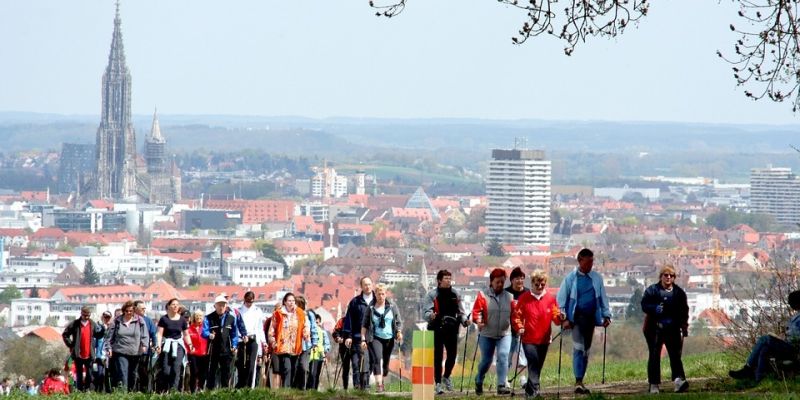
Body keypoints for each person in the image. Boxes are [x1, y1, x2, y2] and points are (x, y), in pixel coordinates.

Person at [557, 248, 612, 394]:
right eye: (588, 262)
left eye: (592, 262)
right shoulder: (570, 279)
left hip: (591, 319)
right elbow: (561, 301)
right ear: (580, 261)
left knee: (586, 350)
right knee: (578, 348)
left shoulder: (597, 278)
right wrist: (564, 319)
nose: (590, 266)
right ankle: (578, 380)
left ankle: (581, 380)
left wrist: (607, 315)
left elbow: (603, 298)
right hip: (576, 319)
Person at [729, 290, 800, 383]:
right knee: (765, 349)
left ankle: (748, 368)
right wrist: (783, 335)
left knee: (764, 339)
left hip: (794, 348)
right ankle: (758, 378)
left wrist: (787, 336)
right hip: (787, 344)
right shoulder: (796, 316)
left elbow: (796, 335)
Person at [513, 269, 561, 399]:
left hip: (544, 339)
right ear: (532, 283)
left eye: (542, 284)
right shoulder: (524, 298)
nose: (540, 287)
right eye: (537, 284)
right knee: (533, 362)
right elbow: (516, 316)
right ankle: (536, 391)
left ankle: (529, 391)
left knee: (538, 366)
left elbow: (556, 318)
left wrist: (561, 318)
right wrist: (519, 327)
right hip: (528, 338)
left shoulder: (550, 299)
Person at [641, 265, 689, 394]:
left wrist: (684, 326)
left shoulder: (679, 293)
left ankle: (679, 381)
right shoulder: (652, 290)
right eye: (666, 275)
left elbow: (684, 311)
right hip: (654, 328)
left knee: (675, 355)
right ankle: (654, 384)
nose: (668, 277)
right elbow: (644, 304)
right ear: (661, 276)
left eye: (671, 275)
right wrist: (654, 308)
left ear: (674, 278)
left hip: (672, 328)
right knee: (655, 355)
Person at [423, 269, 470, 394]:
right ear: (439, 280)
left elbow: (461, 311)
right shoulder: (432, 295)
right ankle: (438, 383)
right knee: (438, 357)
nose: (449, 280)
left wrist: (465, 321)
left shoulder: (455, 294)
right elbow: (425, 312)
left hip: (452, 329)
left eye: (450, 278)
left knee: (452, 356)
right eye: (446, 278)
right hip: (437, 328)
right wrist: (430, 315)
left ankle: (446, 376)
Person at [472, 268, 514, 395]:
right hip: (486, 333)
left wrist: (519, 326)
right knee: (486, 360)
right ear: (491, 282)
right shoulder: (483, 295)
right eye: (497, 282)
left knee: (503, 356)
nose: (500, 285)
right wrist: (479, 321)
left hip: (504, 333)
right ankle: (479, 379)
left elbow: (515, 314)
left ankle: (501, 385)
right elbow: (476, 312)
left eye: (502, 282)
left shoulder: (509, 297)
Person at [361, 283, 404, 393]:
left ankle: (383, 379)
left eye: (383, 294)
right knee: (377, 359)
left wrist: (399, 332)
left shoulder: (392, 306)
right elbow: (364, 324)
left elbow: (398, 321)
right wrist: (363, 339)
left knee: (385, 363)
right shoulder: (370, 308)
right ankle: (379, 385)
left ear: (386, 294)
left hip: (389, 338)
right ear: (375, 294)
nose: (381, 296)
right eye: (379, 294)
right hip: (375, 337)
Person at [105, 300, 149, 391]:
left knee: (133, 374)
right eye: (127, 311)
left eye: (131, 311)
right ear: (124, 311)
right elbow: (109, 337)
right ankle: (123, 393)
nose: (129, 313)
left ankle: (131, 392)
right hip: (120, 351)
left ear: (134, 311)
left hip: (135, 352)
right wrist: (108, 348)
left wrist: (144, 345)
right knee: (123, 372)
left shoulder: (140, 321)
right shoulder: (117, 321)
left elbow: (145, 334)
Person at [267, 292, 309, 388]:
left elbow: (305, 325)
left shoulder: (300, 313)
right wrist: (273, 341)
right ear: (285, 302)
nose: (291, 303)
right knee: (287, 368)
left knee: (293, 369)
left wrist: (306, 333)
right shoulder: (278, 314)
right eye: (289, 301)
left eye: (293, 301)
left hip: (296, 347)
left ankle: (289, 388)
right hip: (283, 347)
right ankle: (286, 390)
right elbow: (272, 330)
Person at [202, 295, 243, 390]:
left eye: (223, 305)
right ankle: (209, 390)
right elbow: (204, 331)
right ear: (215, 306)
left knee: (226, 371)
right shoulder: (209, 318)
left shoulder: (231, 318)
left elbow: (234, 334)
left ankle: (224, 391)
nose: (221, 307)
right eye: (219, 305)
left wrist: (234, 345)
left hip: (226, 349)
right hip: (213, 349)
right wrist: (209, 335)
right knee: (212, 370)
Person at [343, 276, 376, 390]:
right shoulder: (355, 302)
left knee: (369, 363)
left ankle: (365, 385)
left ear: (373, 285)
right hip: (357, 338)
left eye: (369, 284)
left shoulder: (378, 301)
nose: (368, 287)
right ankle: (359, 388)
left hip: (373, 339)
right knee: (356, 364)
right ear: (361, 287)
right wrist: (348, 336)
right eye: (365, 285)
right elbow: (349, 320)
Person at [61, 305, 106, 391]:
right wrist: (71, 344)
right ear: (81, 313)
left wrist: (102, 330)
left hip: (89, 353)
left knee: (89, 373)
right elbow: (65, 334)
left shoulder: (92, 324)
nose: (86, 317)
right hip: (78, 353)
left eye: (88, 315)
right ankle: (80, 390)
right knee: (79, 373)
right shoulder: (75, 324)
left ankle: (88, 389)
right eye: (85, 315)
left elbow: (98, 335)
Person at [155, 298, 192, 392]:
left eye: (177, 304)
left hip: (178, 346)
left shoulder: (182, 320)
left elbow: (186, 334)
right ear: (168, 306)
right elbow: (159, 334)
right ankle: (164, 389)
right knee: (166, 371)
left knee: (176, 369)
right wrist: (158, 345)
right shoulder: (164, 319)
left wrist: (190, 344)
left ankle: (174, 392)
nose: (175, 306)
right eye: (173, 304)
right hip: (167, 346)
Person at [236, 291, 266, 389]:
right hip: (242, 340)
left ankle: (250, 387)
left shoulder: (257, 311)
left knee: (251, 365)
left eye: (251, 302)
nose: (249, 304)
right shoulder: (238, 310)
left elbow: (259, 328)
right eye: (247, 301)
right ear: (244, 300)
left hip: (253, 339)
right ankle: (240, 385)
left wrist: (263, 342)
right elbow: (236, 327)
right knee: (241, 365)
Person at [506, 267, 530, 379]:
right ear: (511, 280)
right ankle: (503, 380)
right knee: (507, 356)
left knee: (523, 356)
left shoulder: (527, 293)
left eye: (522, 278)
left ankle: (523, 379)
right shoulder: (506, 293)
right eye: (517, 278)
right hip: (508, 330)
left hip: (523, 330)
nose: (520, 281)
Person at [293, 295, 318, 390]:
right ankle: (293, 388)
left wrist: (314, 343)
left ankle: (302, 388)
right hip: (293, 346)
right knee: (294, 367)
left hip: (305, 345)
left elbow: (314, 329)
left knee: (303, 367)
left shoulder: (309, 315)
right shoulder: (293, 314)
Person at [133, 300, 157, 392]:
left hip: (145, 351)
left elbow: (153, 334)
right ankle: (133, 390)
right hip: (132, 350)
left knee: (143, 371)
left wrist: (155, 345)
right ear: (136, 309)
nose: (144, 310)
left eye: (144, 308)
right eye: (142, 308)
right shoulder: (131, 319)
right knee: (133, 371)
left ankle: (144, 390)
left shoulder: (148, 320)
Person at [186, 310, 209, 393]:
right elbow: (186, 341)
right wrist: (189, 350)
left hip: (204, 354)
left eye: (200, 316)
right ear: (194, 318)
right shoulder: (189, 328)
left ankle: (201, 389)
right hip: (193, 354)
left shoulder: (206, 328)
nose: (199, 318)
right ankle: (192, 390)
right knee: (194, 372)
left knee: (203, 373)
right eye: (197, 316)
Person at [307, 313, 331, 390]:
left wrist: (325, 353)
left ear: (320, 322)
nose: (316, 324)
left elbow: (326, 344)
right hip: (310, 356)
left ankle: (314, 389)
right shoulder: (310, 331)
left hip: (319, 356)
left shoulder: (322, 332)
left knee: (316, 374)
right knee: (311, 373)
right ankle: (309, 388)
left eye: (317, 322)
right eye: (314, 322)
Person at [93, 310, 114, 393]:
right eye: (105, 316)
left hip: (109, 354)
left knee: (108, 374)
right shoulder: (98, 326)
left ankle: (109, 391)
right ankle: (99, 391)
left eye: (108, 317)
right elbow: (95, 340)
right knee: (99, 374)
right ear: (102, 317)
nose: (106, 318)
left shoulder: (113, 327)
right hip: (99, 354)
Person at [331, 316, 352, 390]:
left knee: (357, 366)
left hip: (355, 346)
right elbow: (335, 331)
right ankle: (345, 388)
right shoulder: (342, 320)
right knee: (345, 368)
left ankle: (359, 388)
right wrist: (338, 338)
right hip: (343, 347)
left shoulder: (359, 318)